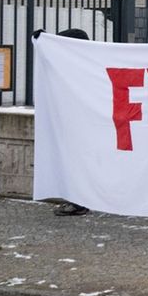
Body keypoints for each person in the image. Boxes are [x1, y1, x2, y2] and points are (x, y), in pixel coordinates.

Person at [51, 28, 94, 217]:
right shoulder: (80, 63)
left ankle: (79, 202)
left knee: (80, 163)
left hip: (83, 126)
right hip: (77, 124)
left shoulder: (82, 65)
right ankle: (78, 200)